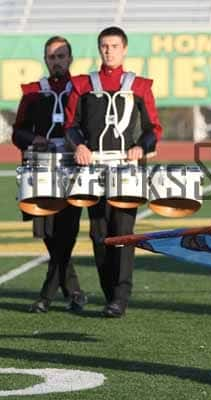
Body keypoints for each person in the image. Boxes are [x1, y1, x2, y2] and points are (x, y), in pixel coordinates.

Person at [64, 26, 162, 318]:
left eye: (115, 46)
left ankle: (121, 295)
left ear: (124, 49)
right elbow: (70, 125)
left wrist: (141, 148)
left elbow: (153, 128)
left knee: (123, 231)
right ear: (99, 49)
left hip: (126, 168)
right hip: (92, 169)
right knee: (98, 233)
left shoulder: (140, 86)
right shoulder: (82, 85)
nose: (109, 51)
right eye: (104, 46)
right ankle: (109, 294)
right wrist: (79, 146)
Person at [12, 36, 87, 314]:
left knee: (67, 232)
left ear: (70, 59)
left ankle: (46, 294)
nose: (57, 61)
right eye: (52, 57)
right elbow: (17, 131)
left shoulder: (81, 90)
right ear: (46, 60)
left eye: (62, 56)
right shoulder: (33, 92)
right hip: (40, 168)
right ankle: (75, 291)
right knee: (48, 233)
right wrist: (34, 138)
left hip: (72, 169)